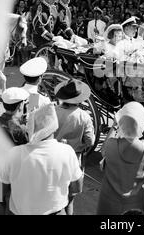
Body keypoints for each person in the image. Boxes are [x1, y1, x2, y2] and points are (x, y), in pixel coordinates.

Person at [0, 103, 83, 215]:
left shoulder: (14, 153)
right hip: (56, 212)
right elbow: (77, 187)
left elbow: (2, 189)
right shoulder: (67, 152)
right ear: (54, 127)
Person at [97, 102, 144, 215]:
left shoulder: (111, 144)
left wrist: (114, 125)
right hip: (134, 202)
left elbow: (103, 150)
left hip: (108, 201)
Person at [54, 78, 95, 215]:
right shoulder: (84, 117)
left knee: (56, 198)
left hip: (54, 157)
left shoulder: (53, 111)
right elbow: (90, 141)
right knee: (70, 200)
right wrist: (79, 144)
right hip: (74, 160)